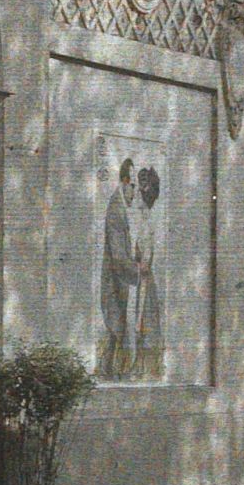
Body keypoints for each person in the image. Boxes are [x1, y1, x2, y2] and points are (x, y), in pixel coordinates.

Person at [99, 157, 139, 380]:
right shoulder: (116, 210)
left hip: (119, 278)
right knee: (117, 326)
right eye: (133, 186)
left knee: (117, 327)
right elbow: (118, 255)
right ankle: (113, 371)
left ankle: (110, 370)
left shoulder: (119, 206)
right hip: (115, 279)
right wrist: (137, 271)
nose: (135, 192)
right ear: (125, 182)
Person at [131, 165, 165, 380]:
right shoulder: (143, 215)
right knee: (139, 321)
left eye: (145, 185)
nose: (142, 191)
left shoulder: (153, 218)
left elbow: (150, 254)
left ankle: (148, 367)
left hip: (146, 278)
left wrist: (142, 263)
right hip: (141, 277)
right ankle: (140, 365)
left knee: (146, 321)